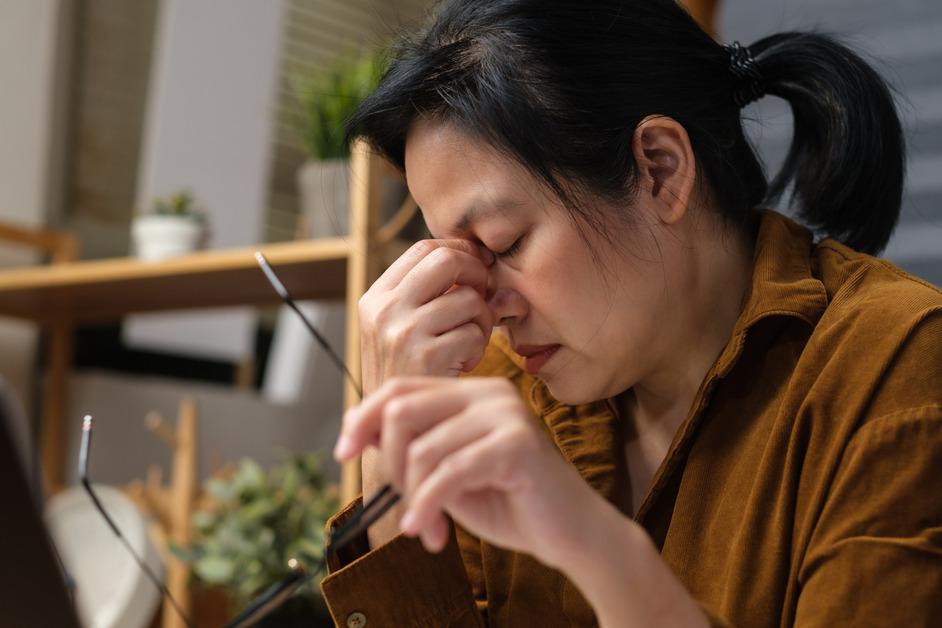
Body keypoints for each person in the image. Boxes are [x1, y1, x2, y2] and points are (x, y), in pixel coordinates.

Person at [318, 1, 942, 626]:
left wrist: (598, 547)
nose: (487, 305)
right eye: (459, 256)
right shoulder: (498, 394)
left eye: (505, 243)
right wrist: (391, 480)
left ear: (661, 170)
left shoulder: (897, 363)